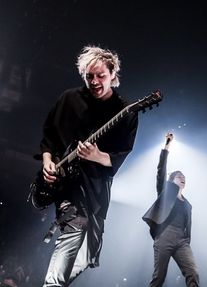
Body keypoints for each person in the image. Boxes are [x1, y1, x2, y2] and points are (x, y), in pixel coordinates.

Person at [38, 45, 138, 286]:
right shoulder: (69, 98)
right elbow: (49, 135)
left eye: (100, 75)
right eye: (89, 76)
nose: (94, 81)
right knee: (74, 227)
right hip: (67, 183)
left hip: (96, 188)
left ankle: (56, 283)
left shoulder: (126, 112)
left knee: (89, 254)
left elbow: (122, 154)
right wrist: (48, 162)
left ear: (113, 75)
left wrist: (97, 155)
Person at [142, 133, 200, 287]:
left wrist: (186, 239)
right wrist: (167, 145)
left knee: (193, 272)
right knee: (159, 278)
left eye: (184, 176)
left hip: (182, 240)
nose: (183, 177)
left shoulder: (188, 204)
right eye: (179, 175)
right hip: (164, 235)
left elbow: (188, 224)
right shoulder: (165, 191)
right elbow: (161, 169)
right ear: (172, 180)